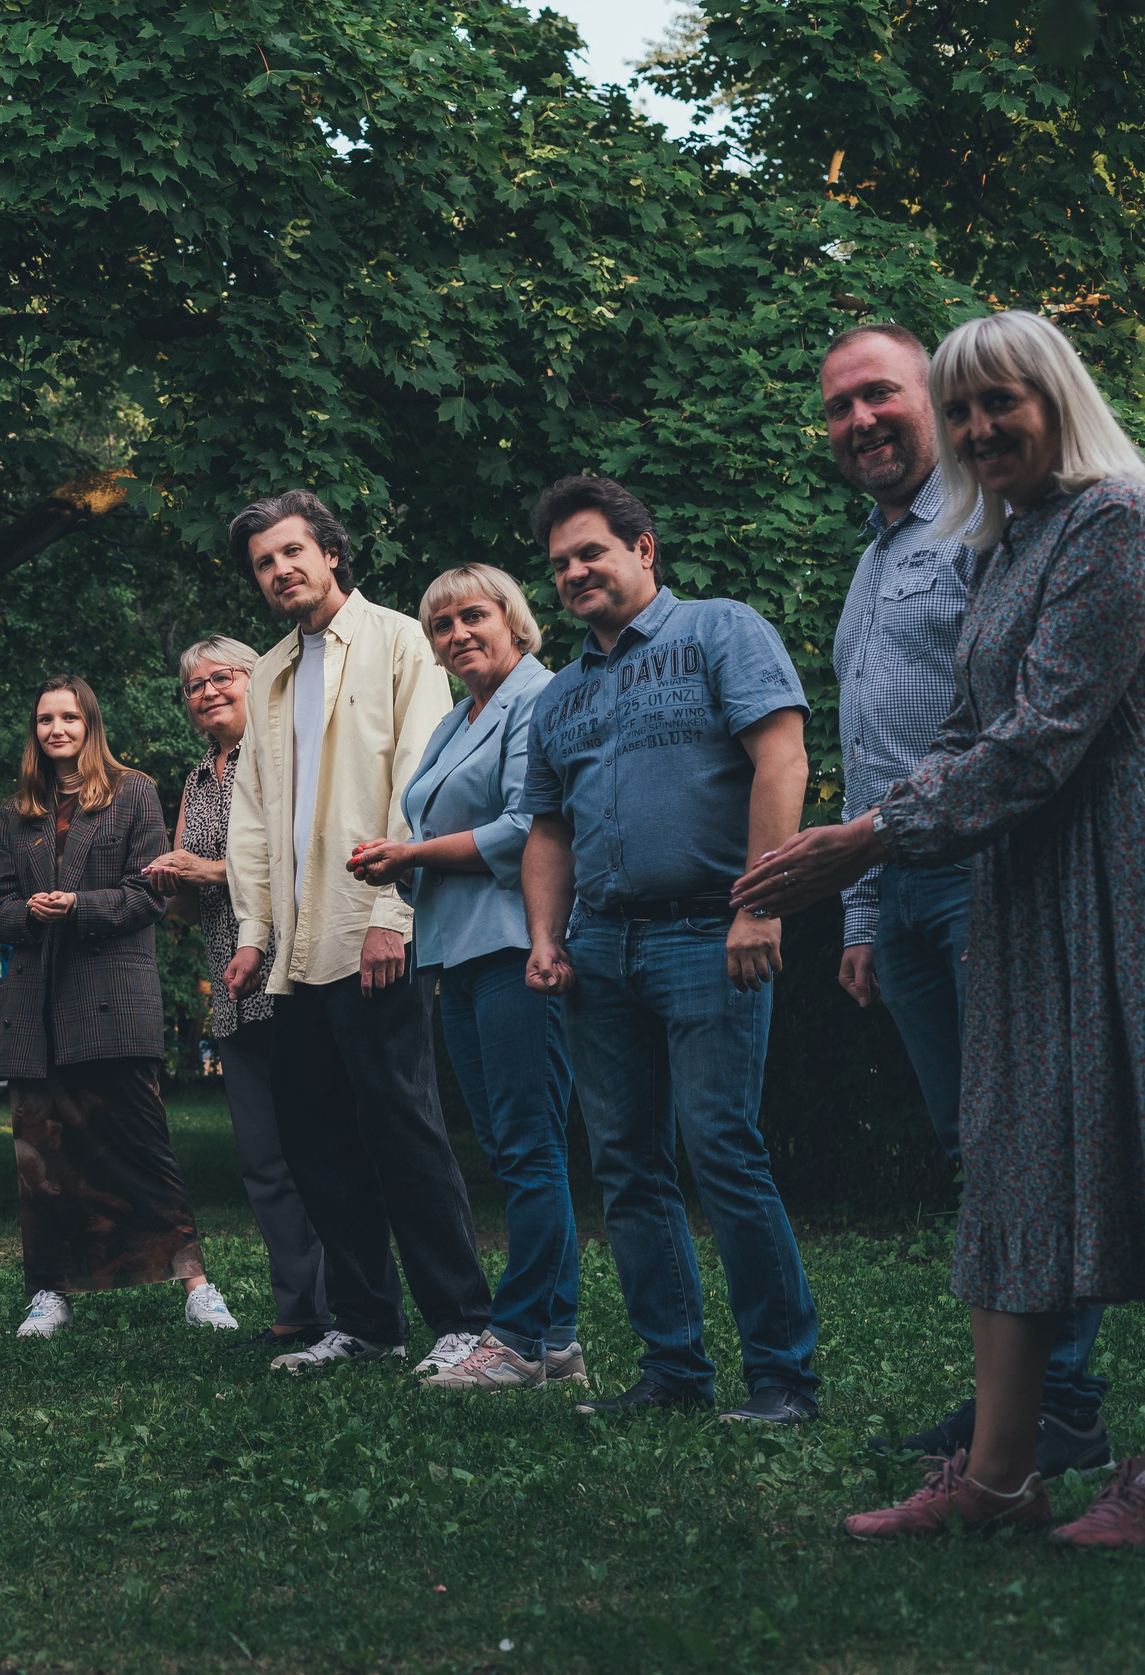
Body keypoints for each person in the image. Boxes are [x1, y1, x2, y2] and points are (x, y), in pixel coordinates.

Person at [736, 311, 1145, 1544]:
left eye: (995, 402)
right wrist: (868, 862)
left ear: (1057, 399)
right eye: (963, 411)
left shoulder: (1114, 522)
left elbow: (1041, 735)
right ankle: (999, 1477)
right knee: (1008, 1165)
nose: (976, 429)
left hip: (1115, 888)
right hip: (1019, 890)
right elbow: (965, 732)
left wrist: (866, 838)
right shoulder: (1006, 541)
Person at [815, 323, 1115, 1479]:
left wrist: (868, 848)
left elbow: (1027, 728)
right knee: (976, 1145)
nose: (860, 421)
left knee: (1032, 1140)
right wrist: (860, 909)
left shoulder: (1018, 526)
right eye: (838, 406)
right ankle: (1017, 1413)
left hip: (1005, 866)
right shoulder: (890, 555)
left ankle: (1057, 1405)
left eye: (880, 395)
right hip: (899, 879)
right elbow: (890, 740)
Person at [518, 474, 820, 1426]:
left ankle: (783, 1377)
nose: (574, 572)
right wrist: (545, 937)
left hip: (709, 932)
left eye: (591, 552)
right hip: (600, 949)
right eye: (560, 563)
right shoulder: (559, 696)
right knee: (626, 1165)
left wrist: (761, 903)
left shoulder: (722, 630)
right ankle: (674, 1372)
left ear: (643, 549)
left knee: (722, 1147)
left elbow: (782, 757)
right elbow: (548, 829)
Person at [216, 491, 489, 1379]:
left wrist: (392, 914)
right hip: (294, 951)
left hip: (372, 928)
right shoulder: (266, 674)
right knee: (316, 1138)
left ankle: (462, 1317)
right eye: (265, 562)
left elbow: (421, 779)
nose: (280, 570)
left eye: (293, 551)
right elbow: (253, 816)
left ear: (331, 552)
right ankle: (366, 1321)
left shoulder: (400, 641)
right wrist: (253, 932)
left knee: (403, 1127)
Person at [348, 565, 580, 1391]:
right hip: (458, 951)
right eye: (441, 626)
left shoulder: (539, 698)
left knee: (529, 1146)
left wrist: (410, 853)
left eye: (473, 616)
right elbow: (433, 819)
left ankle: (516, 1337)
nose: (457, 635)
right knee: (510, 1146)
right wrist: (402, 866)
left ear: (514, 619)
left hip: (521, 946)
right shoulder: (456, 720)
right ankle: (557, 1342)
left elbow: (525, 826)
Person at [0, 675, 233, 1339]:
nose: (56, 729)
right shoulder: (16, 811)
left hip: (111, 1000)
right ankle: (49, 1292)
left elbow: (151, 894)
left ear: (90, 724)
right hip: (36, 1005)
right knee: (42, 1159)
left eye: (69, 717)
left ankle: (197, 1286)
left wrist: (79, 905)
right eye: (45, 719)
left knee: (141, 1148)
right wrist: (28, 912)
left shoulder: (133, 792)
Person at [143, 638, 330, 1354]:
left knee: (320, 1146)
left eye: (222, 677)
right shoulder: (196, 779)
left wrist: (212, 870)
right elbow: (191, 908)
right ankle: (298, 1311)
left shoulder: (285, 754)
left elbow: (301, 857)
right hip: (232, 987)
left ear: (256, 679)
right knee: (263, 1159)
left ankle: (354, 1308)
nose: (208, 691)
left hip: (295, 975)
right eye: (194, 685)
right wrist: (172, 886)